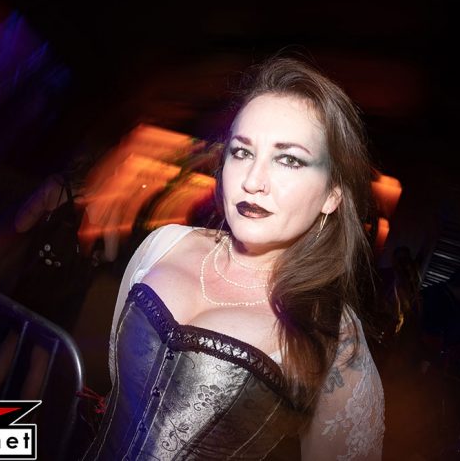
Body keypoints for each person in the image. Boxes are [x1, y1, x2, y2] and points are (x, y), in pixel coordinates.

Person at [82, 56, 385, 460]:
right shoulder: (164, 244)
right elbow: (116, 386)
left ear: (332, 195)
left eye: (289, 159)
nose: (252, 181)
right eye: (242, 152)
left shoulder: (334, 336)